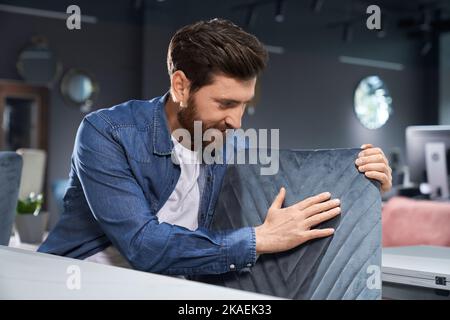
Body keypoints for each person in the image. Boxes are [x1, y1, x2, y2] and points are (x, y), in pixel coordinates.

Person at [38, 19, 392, 275]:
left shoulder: (232, 143)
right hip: (83, 280)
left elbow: (294, 194)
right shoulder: (107, 133)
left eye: (244, 105)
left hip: (173, 287)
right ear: (181, 86)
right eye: (225, 104)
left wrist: (363, 180)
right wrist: (256, 240)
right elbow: (144, 247)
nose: (237, 122)